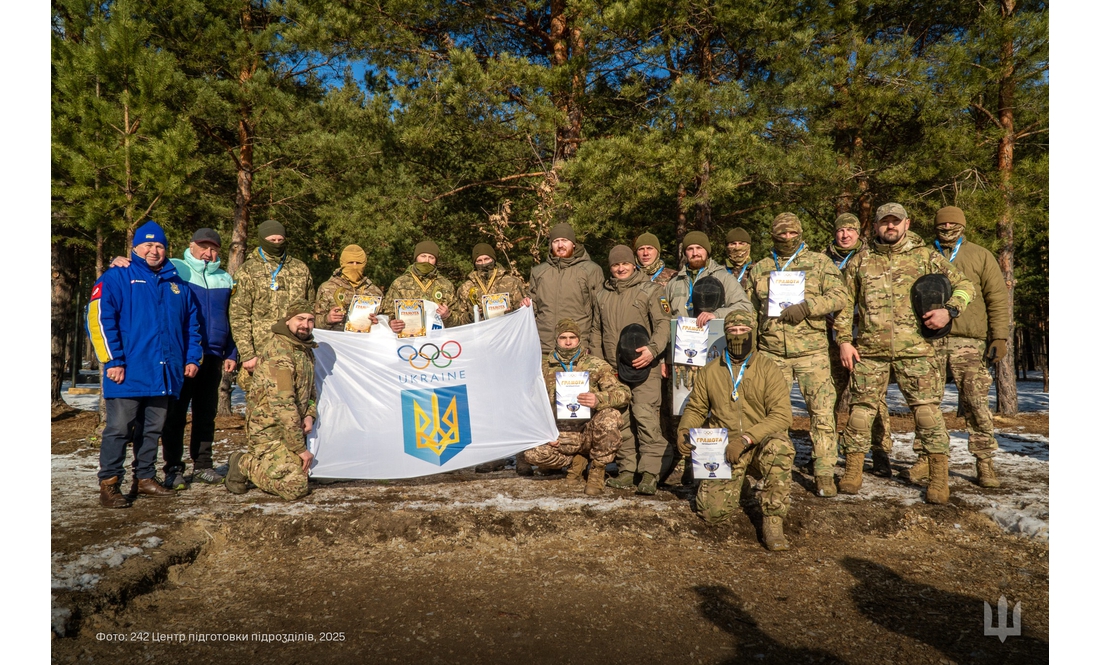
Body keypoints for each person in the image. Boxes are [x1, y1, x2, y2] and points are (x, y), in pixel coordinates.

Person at [836, 203, 975, 504]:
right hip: (870, 351)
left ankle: (938, 477)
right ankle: (853, 470)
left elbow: (965, 285)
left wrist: (949, 311)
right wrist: (845, 341)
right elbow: (845, 305)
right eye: (884, 222)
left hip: (916, 350)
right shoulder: (861, 261)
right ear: (874, 227)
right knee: (861, 413)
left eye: (895, 222)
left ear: (906, 224)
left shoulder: (925, 257)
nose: (890, 227)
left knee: (927, 414)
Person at [105, 228, 240, 488]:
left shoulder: (225, 278)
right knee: (174, 415)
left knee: (205, 414)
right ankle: (173, 468)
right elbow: (143, 264)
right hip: (181, 355)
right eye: (203, 246)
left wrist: (231, 350)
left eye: (213, 248)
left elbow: (230, 316)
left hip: (211, 353)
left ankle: (203, 465)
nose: (208, 252)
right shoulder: (176, 268)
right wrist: (118, 259)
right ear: (191, 246)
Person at [87, 220, 202, 507]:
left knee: (152, 429)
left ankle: (145, 478)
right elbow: (99, 319)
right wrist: (112, 360)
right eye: (148, 245)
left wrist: (191, 358)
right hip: (126, 372)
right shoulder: (116, 277)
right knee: (119, 429)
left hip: (164, 372)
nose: (154, 250)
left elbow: (192, 326)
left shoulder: (176, 284)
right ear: (135, 248)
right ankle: (110, 483)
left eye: (159, 246)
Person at [744, 213, 848, 497]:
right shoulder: (761, 268)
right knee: (772, 415)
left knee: (822, 414)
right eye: (781, 234)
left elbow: (841, 296)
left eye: (792, 233)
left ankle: (824, 471)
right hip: (772, 352)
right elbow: (750, 312)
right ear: (773, 235)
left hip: (811, 353)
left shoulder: (819, 262)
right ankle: (776, 468)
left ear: (800, 234)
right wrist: (749, 350)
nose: (787, 238)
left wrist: (809, 306)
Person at [676, 310, 795, 551]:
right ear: (725, 334)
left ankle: (773, 519)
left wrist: (747, 438)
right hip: (724, 446)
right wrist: (685, 428)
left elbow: (782, 415)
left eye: (743, 331)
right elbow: (697, 407)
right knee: (711, 514)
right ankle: (736, 482)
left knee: (780, 447)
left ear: (752, 332)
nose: (738, 335)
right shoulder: (710, 371)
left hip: (759, 442)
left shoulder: (768, 368)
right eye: (732, 331)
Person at [926, 205, 1011, 488]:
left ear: (963, 226)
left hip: (970, 342)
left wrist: (999, 336)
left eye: (953, 224)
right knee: (927, 404)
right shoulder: (924, 254)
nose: (947, 228)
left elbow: (997, 297)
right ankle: (926, 460)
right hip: (929, 340)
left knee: (975, 403)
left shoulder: (980, 255)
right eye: (942, 224)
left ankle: (984, 462)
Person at [664, 230, 752, 483]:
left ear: (707, 252)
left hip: (714, 354)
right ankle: (685, 465)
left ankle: (710, 460)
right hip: (683, 357)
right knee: (683, 408)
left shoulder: (723, 277)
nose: (694, 253)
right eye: (690, 249)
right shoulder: (675, 281)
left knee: (714, 407)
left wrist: (718, 313)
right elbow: (666, 319)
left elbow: (746, 308)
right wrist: (666, 358)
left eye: (699, 249)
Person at [592, 245, 672, 495]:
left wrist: (653, 350)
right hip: (614, 370)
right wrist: (599, 364)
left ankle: (650, 472)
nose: (620, 268)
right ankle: (628, 470)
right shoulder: (602, 295)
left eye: (625, 264)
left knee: (645, 416)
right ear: (610, 267)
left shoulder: (650, 290)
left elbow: (663, 324)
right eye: (616, 265)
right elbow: (597, 330)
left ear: (633, 264)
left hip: (644, 365)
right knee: (622, 420)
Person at [523, 319, 631, 496]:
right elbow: (530, 404)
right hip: (561, 434)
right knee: (532, 454)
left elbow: (624, 393)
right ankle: (574, 460)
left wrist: (598, 398)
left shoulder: (596, 365)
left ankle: (597, 470)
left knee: (610, 416)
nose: (568, 342)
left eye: (572, 337)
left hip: (590, 431)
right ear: (556, 340)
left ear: (579, 339)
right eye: (563, 337)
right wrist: (544, 433)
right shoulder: (542, 369)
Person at [824, 213, 893, 478]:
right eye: (840, 230)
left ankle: (880, 452)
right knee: (828, 397)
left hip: (866, 340)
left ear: (859, 232)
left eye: (850, 230)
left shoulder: (872, 257)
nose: (845, 235)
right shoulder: (822, 260)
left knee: (873, 400)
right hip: (832, 339)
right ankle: (827, 451)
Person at [225, 304, 318, 501]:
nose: (305, 325)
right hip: (269, 432)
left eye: (310, 320)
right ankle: (244, 463)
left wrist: (310, 414)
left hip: (290, 430)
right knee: (296, 487)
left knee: (307, 475)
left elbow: (311, 390)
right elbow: (283, 406)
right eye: (300, 319)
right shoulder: (280, 354)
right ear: (287, 321)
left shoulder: (305, 349)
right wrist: (300, 449)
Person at [229, 219, 316, 391]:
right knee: (263, 408)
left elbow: (310, 307)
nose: (276, 244)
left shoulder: (300, 269)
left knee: (294, 403)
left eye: (280, 240)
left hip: (295, 351)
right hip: (262, 352)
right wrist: (247, 354)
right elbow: (239, 315)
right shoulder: (248, 270)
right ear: (262, 240)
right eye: (271, 240)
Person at [528, 222, 604, 354]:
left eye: (564, 240)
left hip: (578, 348)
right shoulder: (538, 272)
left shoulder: (591, 270)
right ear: (551, 245)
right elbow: (531, 310)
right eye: (556, 241)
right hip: (545, 348)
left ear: (573, 243)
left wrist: (593, 347)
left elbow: (599, 313)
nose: (560, 245)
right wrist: (524, 304)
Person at [379, 240, 457, 332]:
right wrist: (391, 323)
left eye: (431, 257)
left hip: (437, 340)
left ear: (436, 261)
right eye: (423, 256)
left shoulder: (446, 285)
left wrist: (448, 316)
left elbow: (458, 319)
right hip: (407, 341)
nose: (427, 261)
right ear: (416, 258)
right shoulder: (400, 283)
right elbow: (387, 314)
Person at [452, 243, 530, 325]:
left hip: (507, 332)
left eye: (486, 259)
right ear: (474, 263)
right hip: (480, 334)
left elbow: (522, 309)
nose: (483, 263)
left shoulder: (511, 282)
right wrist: (471, 315)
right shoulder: (465, 287)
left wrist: (514, 309)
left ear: (493, 259)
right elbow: (458, 321)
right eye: (479, 260)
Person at [313, 244, 384, 331]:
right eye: (350, 262)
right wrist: (327, 319)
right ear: (342, 263)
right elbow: (313, 322)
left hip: (363, 342)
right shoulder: (327, 288)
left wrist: (378, 322)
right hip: (335, 342)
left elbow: (384, 323)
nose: (354, 266)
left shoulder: (375, 292)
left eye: (358, 263)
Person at [724, 227, 754, 292]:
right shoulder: (719, 271)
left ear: (748, 246)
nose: (737, 247)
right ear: (727, 247)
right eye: (733, 244)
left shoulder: (757, 270)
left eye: (741, 243)